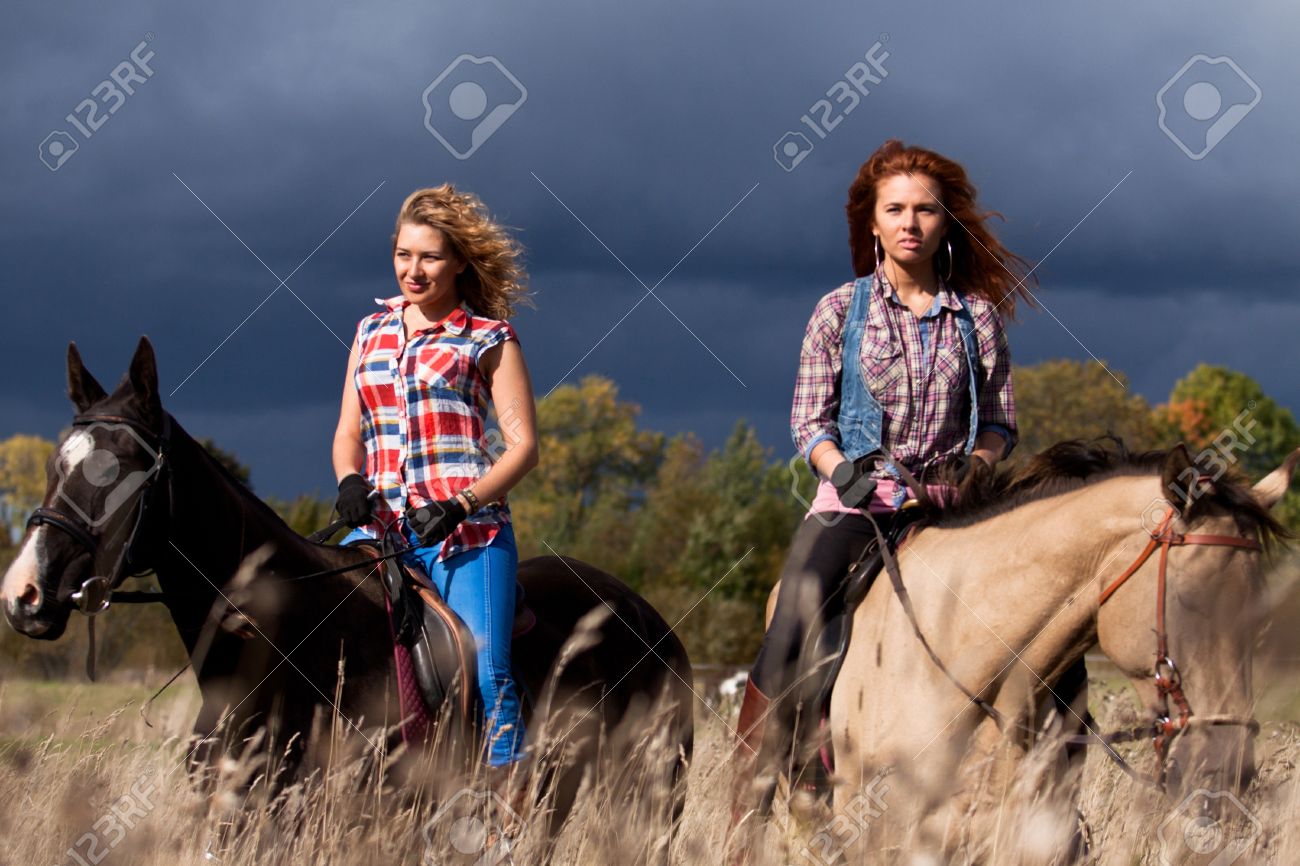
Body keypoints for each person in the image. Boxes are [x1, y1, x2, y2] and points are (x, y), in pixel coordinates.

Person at [730, 139, 1035, 821]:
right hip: (856, 504)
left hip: (952, 509)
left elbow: (1001, 422)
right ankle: (744, 799)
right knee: (795, 617)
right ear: (871, 223)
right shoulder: (840, 310)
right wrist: (844, 473)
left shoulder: (977, 319)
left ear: (944, 222)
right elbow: (810, 421)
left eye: (925, 210)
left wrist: (978, 465)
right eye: (895, 209)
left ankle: (1051, 754)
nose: (910, 222)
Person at [331, 184, 538, 775]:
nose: (413, 270)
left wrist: (460, 504)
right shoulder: (370, 332)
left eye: (429, 257)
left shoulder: (488, 338)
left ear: (459, 262)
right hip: (380, 531)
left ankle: (507, 804)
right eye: (403, 254)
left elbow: (523, 448)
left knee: (486, 663)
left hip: (467, 538)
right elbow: (349, 432)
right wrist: (350, 481)